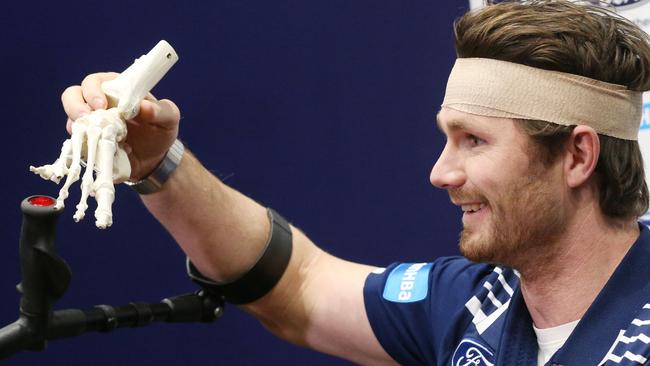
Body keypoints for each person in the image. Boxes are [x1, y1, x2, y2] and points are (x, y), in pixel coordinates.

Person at [59, 1, 650, 365]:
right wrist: (160, 164)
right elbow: (296, 283)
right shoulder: (473, 303)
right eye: (447, 137)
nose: (440, 173)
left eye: (475, 140)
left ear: (577, 155)